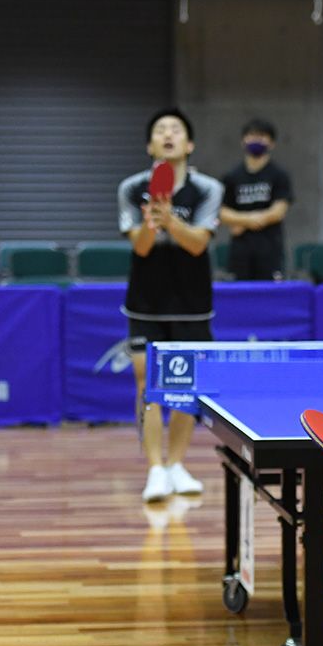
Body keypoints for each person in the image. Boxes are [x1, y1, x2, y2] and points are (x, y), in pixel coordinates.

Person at [118, 107, 223, 501]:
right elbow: (141, 248)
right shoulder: (132, 188)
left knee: (185, 386)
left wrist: (169, 219)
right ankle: (155, 470)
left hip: (192, 301)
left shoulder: (208, 189)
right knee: (145, 382)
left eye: (175, 129)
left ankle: (177, 464)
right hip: (145, 300)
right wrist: (151, 223)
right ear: (150, 145)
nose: (167, 134)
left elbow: (198, 245)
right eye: (160, 130)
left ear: (189, 144)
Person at [218, 118, 294, 280]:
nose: (256, 140)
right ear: (243, 141)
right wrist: (249, 219)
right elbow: (222, 212)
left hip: (270, 249)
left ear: (271, 143)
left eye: (261, 136)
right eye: (252, 136)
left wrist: (243, 222)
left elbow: (278, 211)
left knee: (270, 293)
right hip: (240, 251)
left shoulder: (279, 175)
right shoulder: (232, 176)